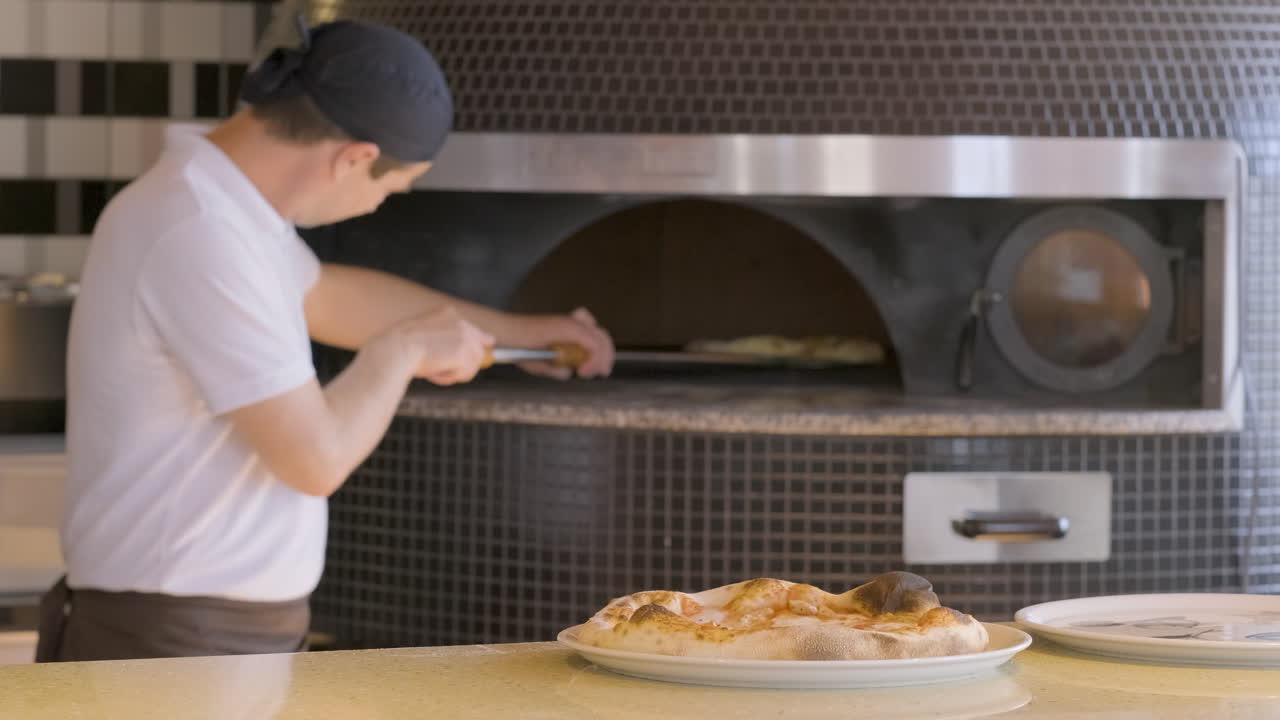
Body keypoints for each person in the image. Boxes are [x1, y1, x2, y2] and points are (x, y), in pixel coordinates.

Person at [36, 19, 614, 662]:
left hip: (205, 625)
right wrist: (397, 356)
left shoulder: (224, 209)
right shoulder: (199, 230)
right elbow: (313, 459)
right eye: (391, 188)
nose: (380, 204)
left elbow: (332, 298)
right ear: (355, 159)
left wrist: (524, 335)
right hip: (170, 634)